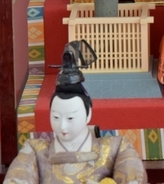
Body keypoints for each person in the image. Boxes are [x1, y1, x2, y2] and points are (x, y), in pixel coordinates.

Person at [3, 42, 147, 184]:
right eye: (56, 117)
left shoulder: (116, 147)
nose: (62, 126)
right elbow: (17, 178)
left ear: (88, 114)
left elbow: (133, 176)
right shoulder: (35, 150)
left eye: (70, 118)